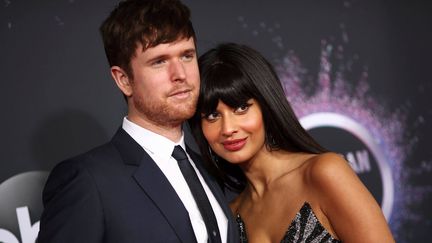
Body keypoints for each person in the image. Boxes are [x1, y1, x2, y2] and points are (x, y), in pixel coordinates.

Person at [37, 1, 238, 242]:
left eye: (186, 56)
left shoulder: (209, 168)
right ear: (123, 80)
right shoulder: (88, 180)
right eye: (159, 61)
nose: (180, 75)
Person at [189, 43, 395, 243]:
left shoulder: (323, 173)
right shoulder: (232, 216)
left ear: (267, 106)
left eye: (241, 108)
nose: (228, 129)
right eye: (213, 115)